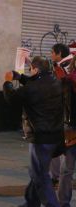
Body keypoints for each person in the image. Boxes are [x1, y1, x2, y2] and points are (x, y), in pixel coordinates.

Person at [3, 56, 64, 207]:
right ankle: (31, 202)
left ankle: (52, 204)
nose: (30, 71)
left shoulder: (32, 89)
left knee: (40, 174)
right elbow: (37, 83)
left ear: (36, 70)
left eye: (31, 69)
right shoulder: (55, 81)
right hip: (56, 136)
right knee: (39, 170)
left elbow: (12, 98)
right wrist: (20, 77)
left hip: (41, 137)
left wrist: (7, 82)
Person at [57, 53, 76, 207]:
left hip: (70, 130)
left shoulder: (66, 80)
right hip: (71, 130)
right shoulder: (67, 82)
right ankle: (63, 203)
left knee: (66, 170)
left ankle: (63, 202)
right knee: (66, 170)